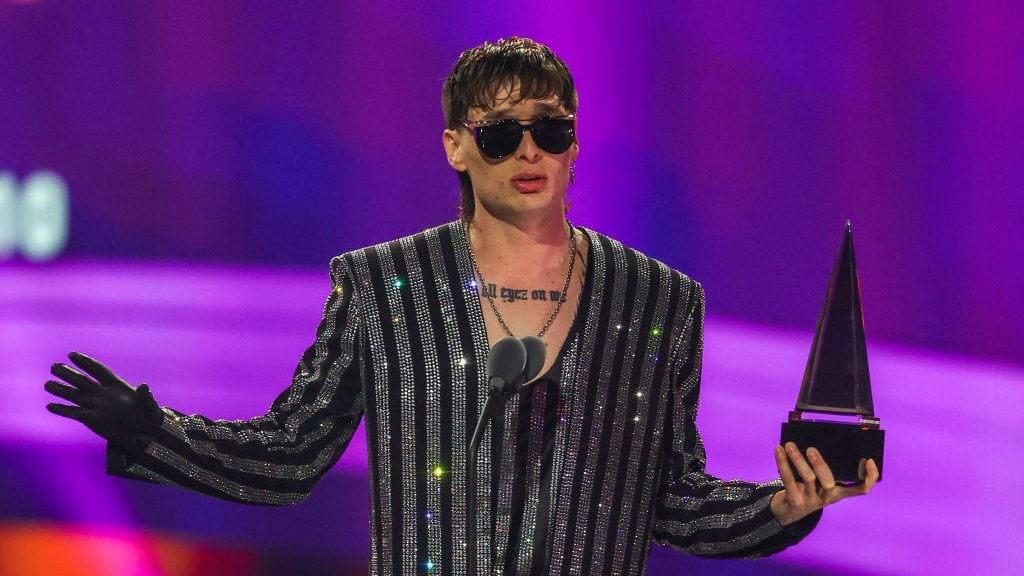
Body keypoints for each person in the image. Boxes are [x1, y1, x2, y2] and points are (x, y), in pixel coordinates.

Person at [44, 37, 877, 575]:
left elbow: (673, 500)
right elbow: (290, 457)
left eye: (550, 132)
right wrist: (152, 429)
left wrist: (780, 506)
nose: (528, 152)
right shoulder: (381, 287)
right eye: (499, 132)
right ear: (455, 145)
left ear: (575, 145)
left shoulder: (656, 300)